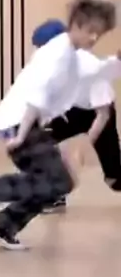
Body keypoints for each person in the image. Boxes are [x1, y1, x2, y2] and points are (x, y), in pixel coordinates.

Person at [0, 0, 118, 250]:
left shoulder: (74, 53)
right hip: (19, 121)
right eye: (90, 32)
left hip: (23, 121)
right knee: (58, 181)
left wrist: (118, 61)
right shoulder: (58, 53)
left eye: (99, 34)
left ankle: (3, 226)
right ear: (76, 25)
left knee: (57, 183)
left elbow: (98, 71)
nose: (94, 38)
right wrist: (20, 135)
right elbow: (37, 95)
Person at [31, 19, 121, 213]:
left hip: (97, 113)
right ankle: (55, 195)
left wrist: (85, 146)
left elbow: (103, 114)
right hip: (72, 111)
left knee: (114, 180)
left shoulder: (89, 66)